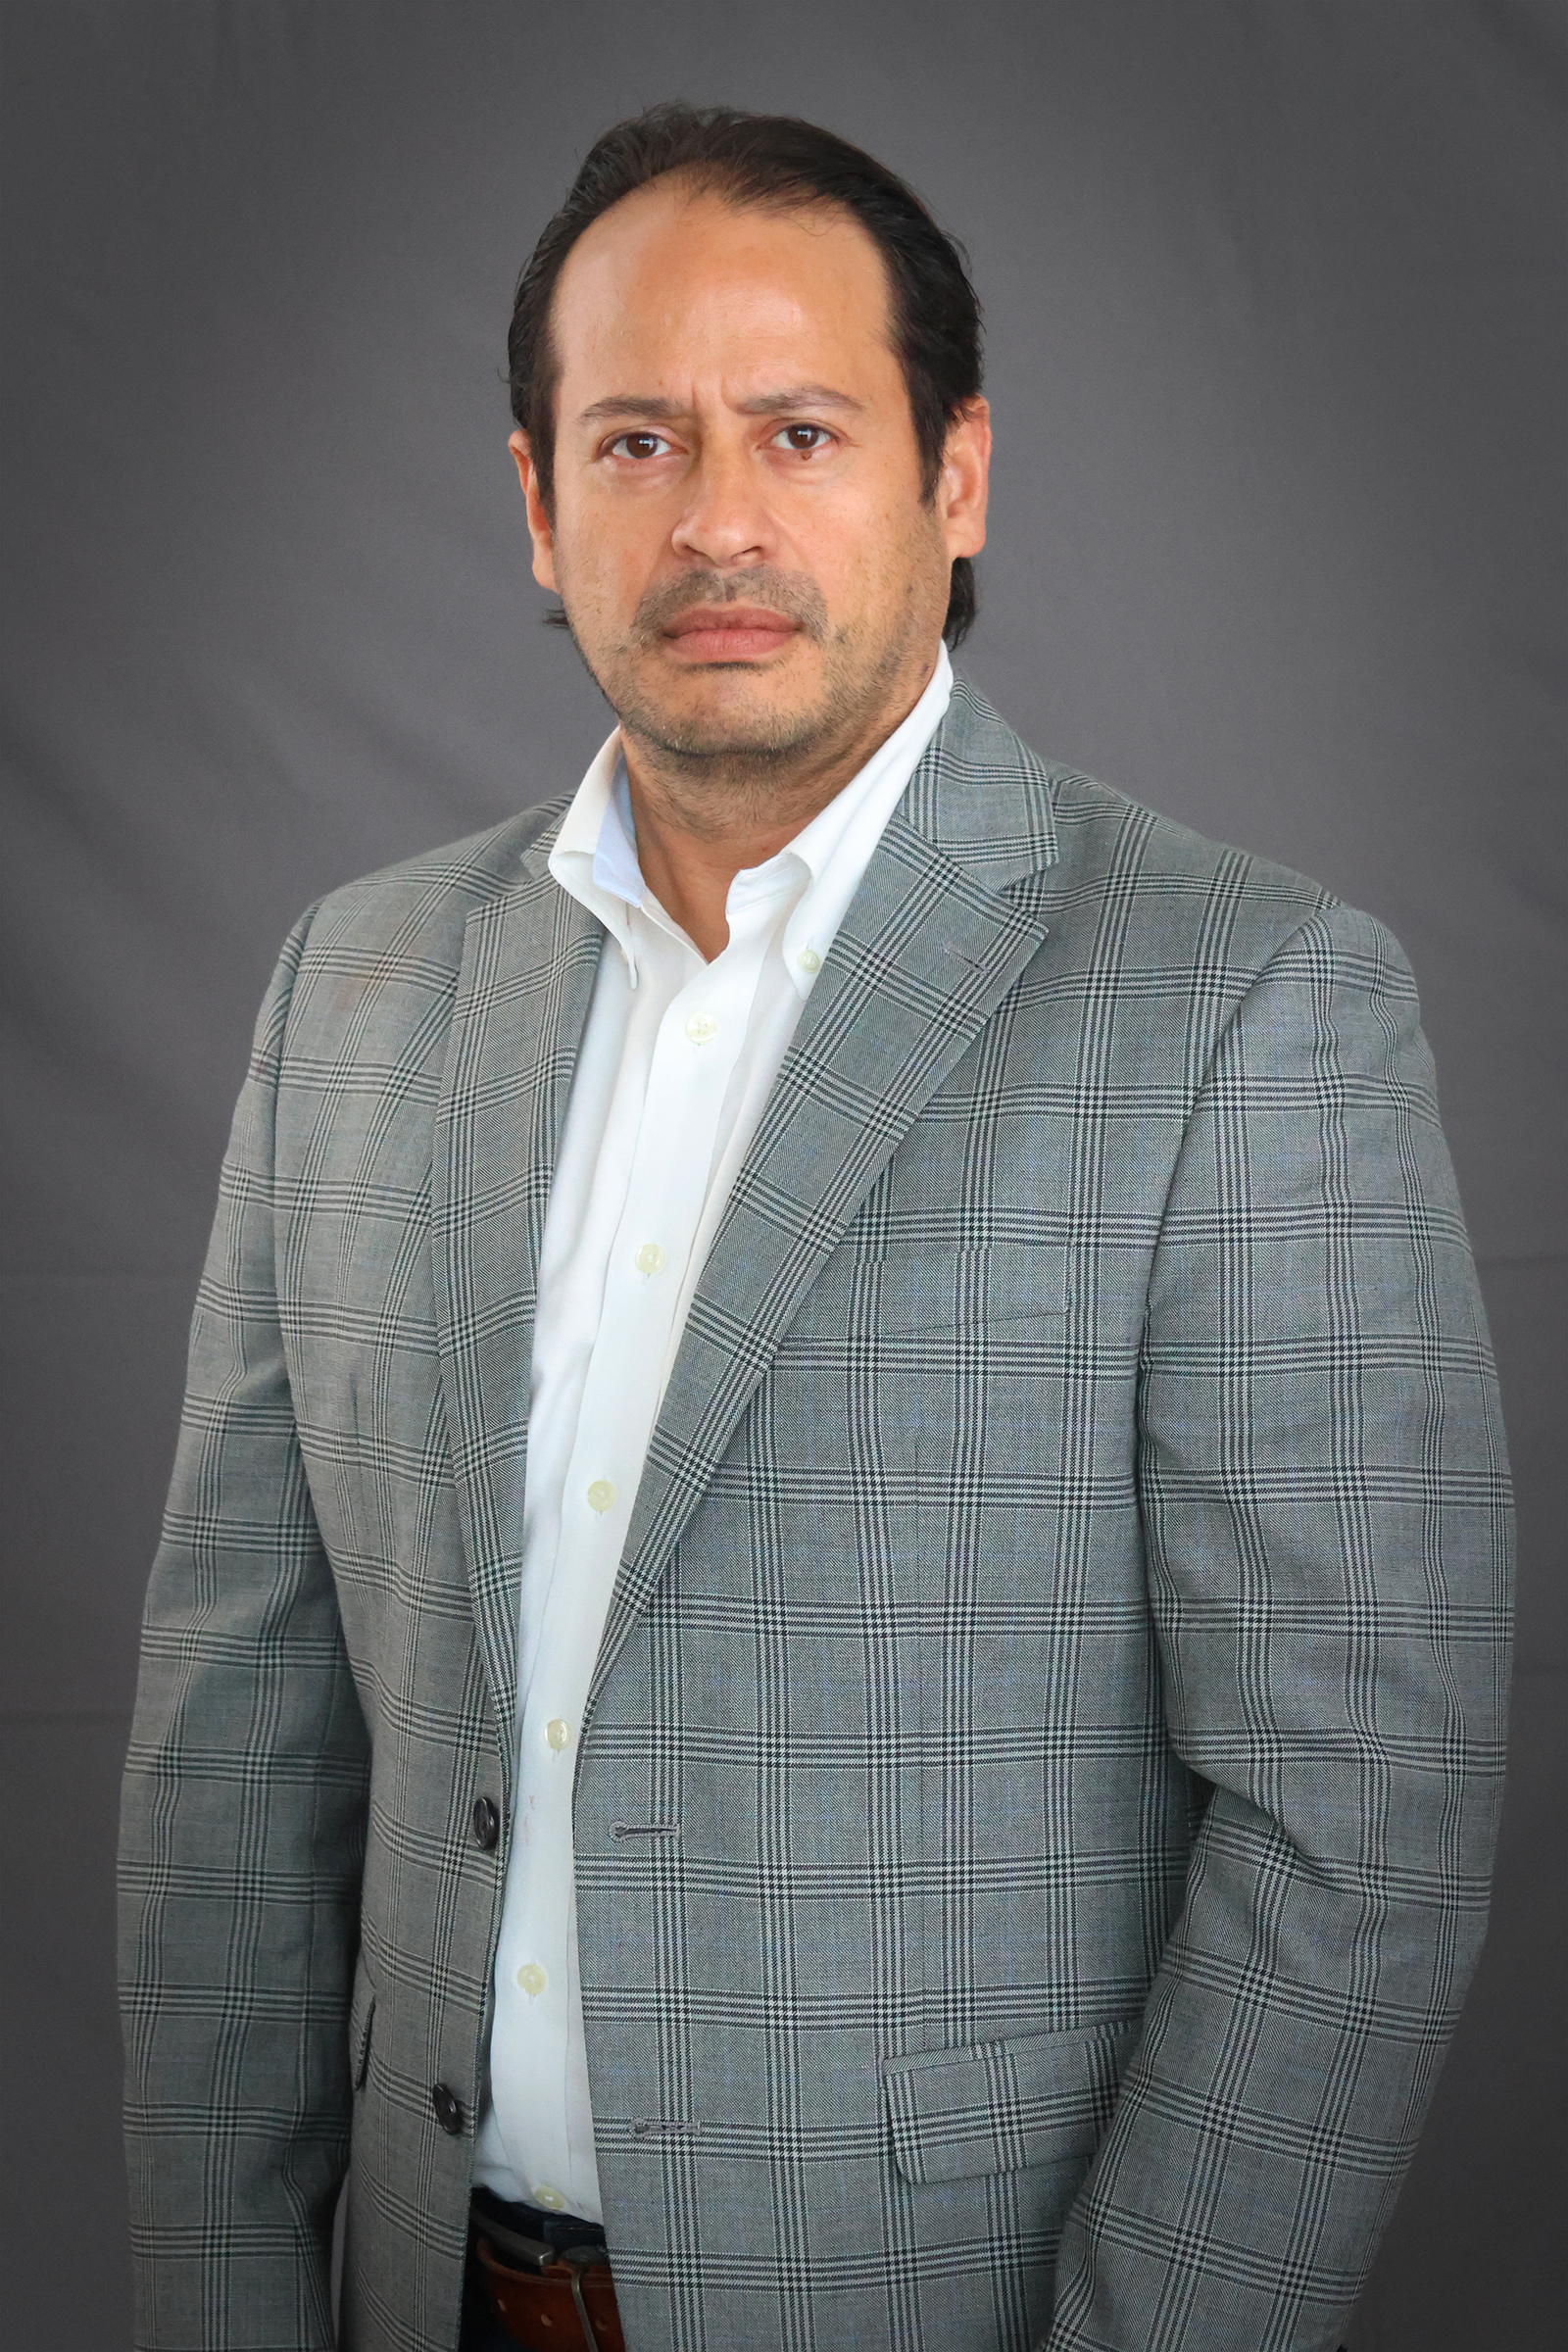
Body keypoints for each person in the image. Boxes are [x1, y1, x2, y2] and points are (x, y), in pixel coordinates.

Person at [118, 103, 1512, 2352]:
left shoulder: (1241, 1002)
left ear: (954, 480)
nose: (717, 521)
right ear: (538, 504)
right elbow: (231, 1759)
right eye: (638, 441)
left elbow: (1357, 1831)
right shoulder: (353, 991)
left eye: (796, 431)